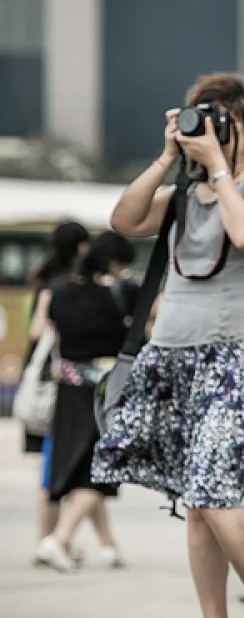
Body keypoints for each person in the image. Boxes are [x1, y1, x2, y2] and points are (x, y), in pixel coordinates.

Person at [96, 73, 244, 618]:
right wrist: (168, 157)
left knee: (214, 492)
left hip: (238, 354)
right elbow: (123, 218)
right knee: (196, 506)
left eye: (216, 119)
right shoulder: (185, 197)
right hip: (172, 356)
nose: (204, 130)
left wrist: (218, 166)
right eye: (197, 119)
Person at [32, 232, 136, 572]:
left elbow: (46, 331)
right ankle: (58, 540)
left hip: (68, 391)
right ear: (114, 262)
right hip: (103, 394)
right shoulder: (118, 295)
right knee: (97, 472)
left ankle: (107, 545)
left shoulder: (59, 292)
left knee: (78, 468)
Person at [27, 220, 89, 564]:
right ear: (80, 247)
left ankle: (57, 539)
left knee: (61, 465)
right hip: (59, 382)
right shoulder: (64, 285)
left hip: (47, 379)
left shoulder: (45, 279)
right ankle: (49, 540)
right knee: (58, 466)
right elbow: (41, 328)